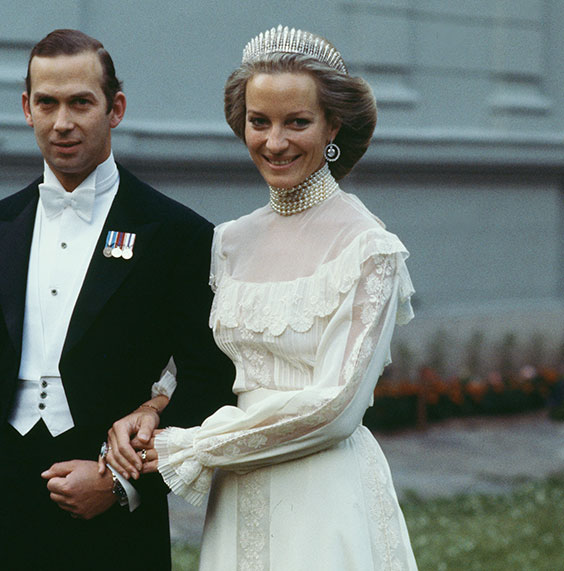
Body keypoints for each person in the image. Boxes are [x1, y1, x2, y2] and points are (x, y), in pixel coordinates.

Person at [102, 25, 418, 570]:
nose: (275, 142)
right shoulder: (228, 242)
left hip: (324, 499)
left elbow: (335, 408)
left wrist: (190, 448)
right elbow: (208, 360)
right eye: (259, 122)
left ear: (332, 125)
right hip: (238, 494)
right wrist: (154, 407)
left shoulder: (368, 248)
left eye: (297, 122)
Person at [0, 29, 234, 571]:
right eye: (47, 103)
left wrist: (122, 484)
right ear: (26, 108)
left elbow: (209, 380)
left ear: (114, 109)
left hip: (108, 513)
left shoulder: (177, 233)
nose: (62, 122)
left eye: (80, 103)